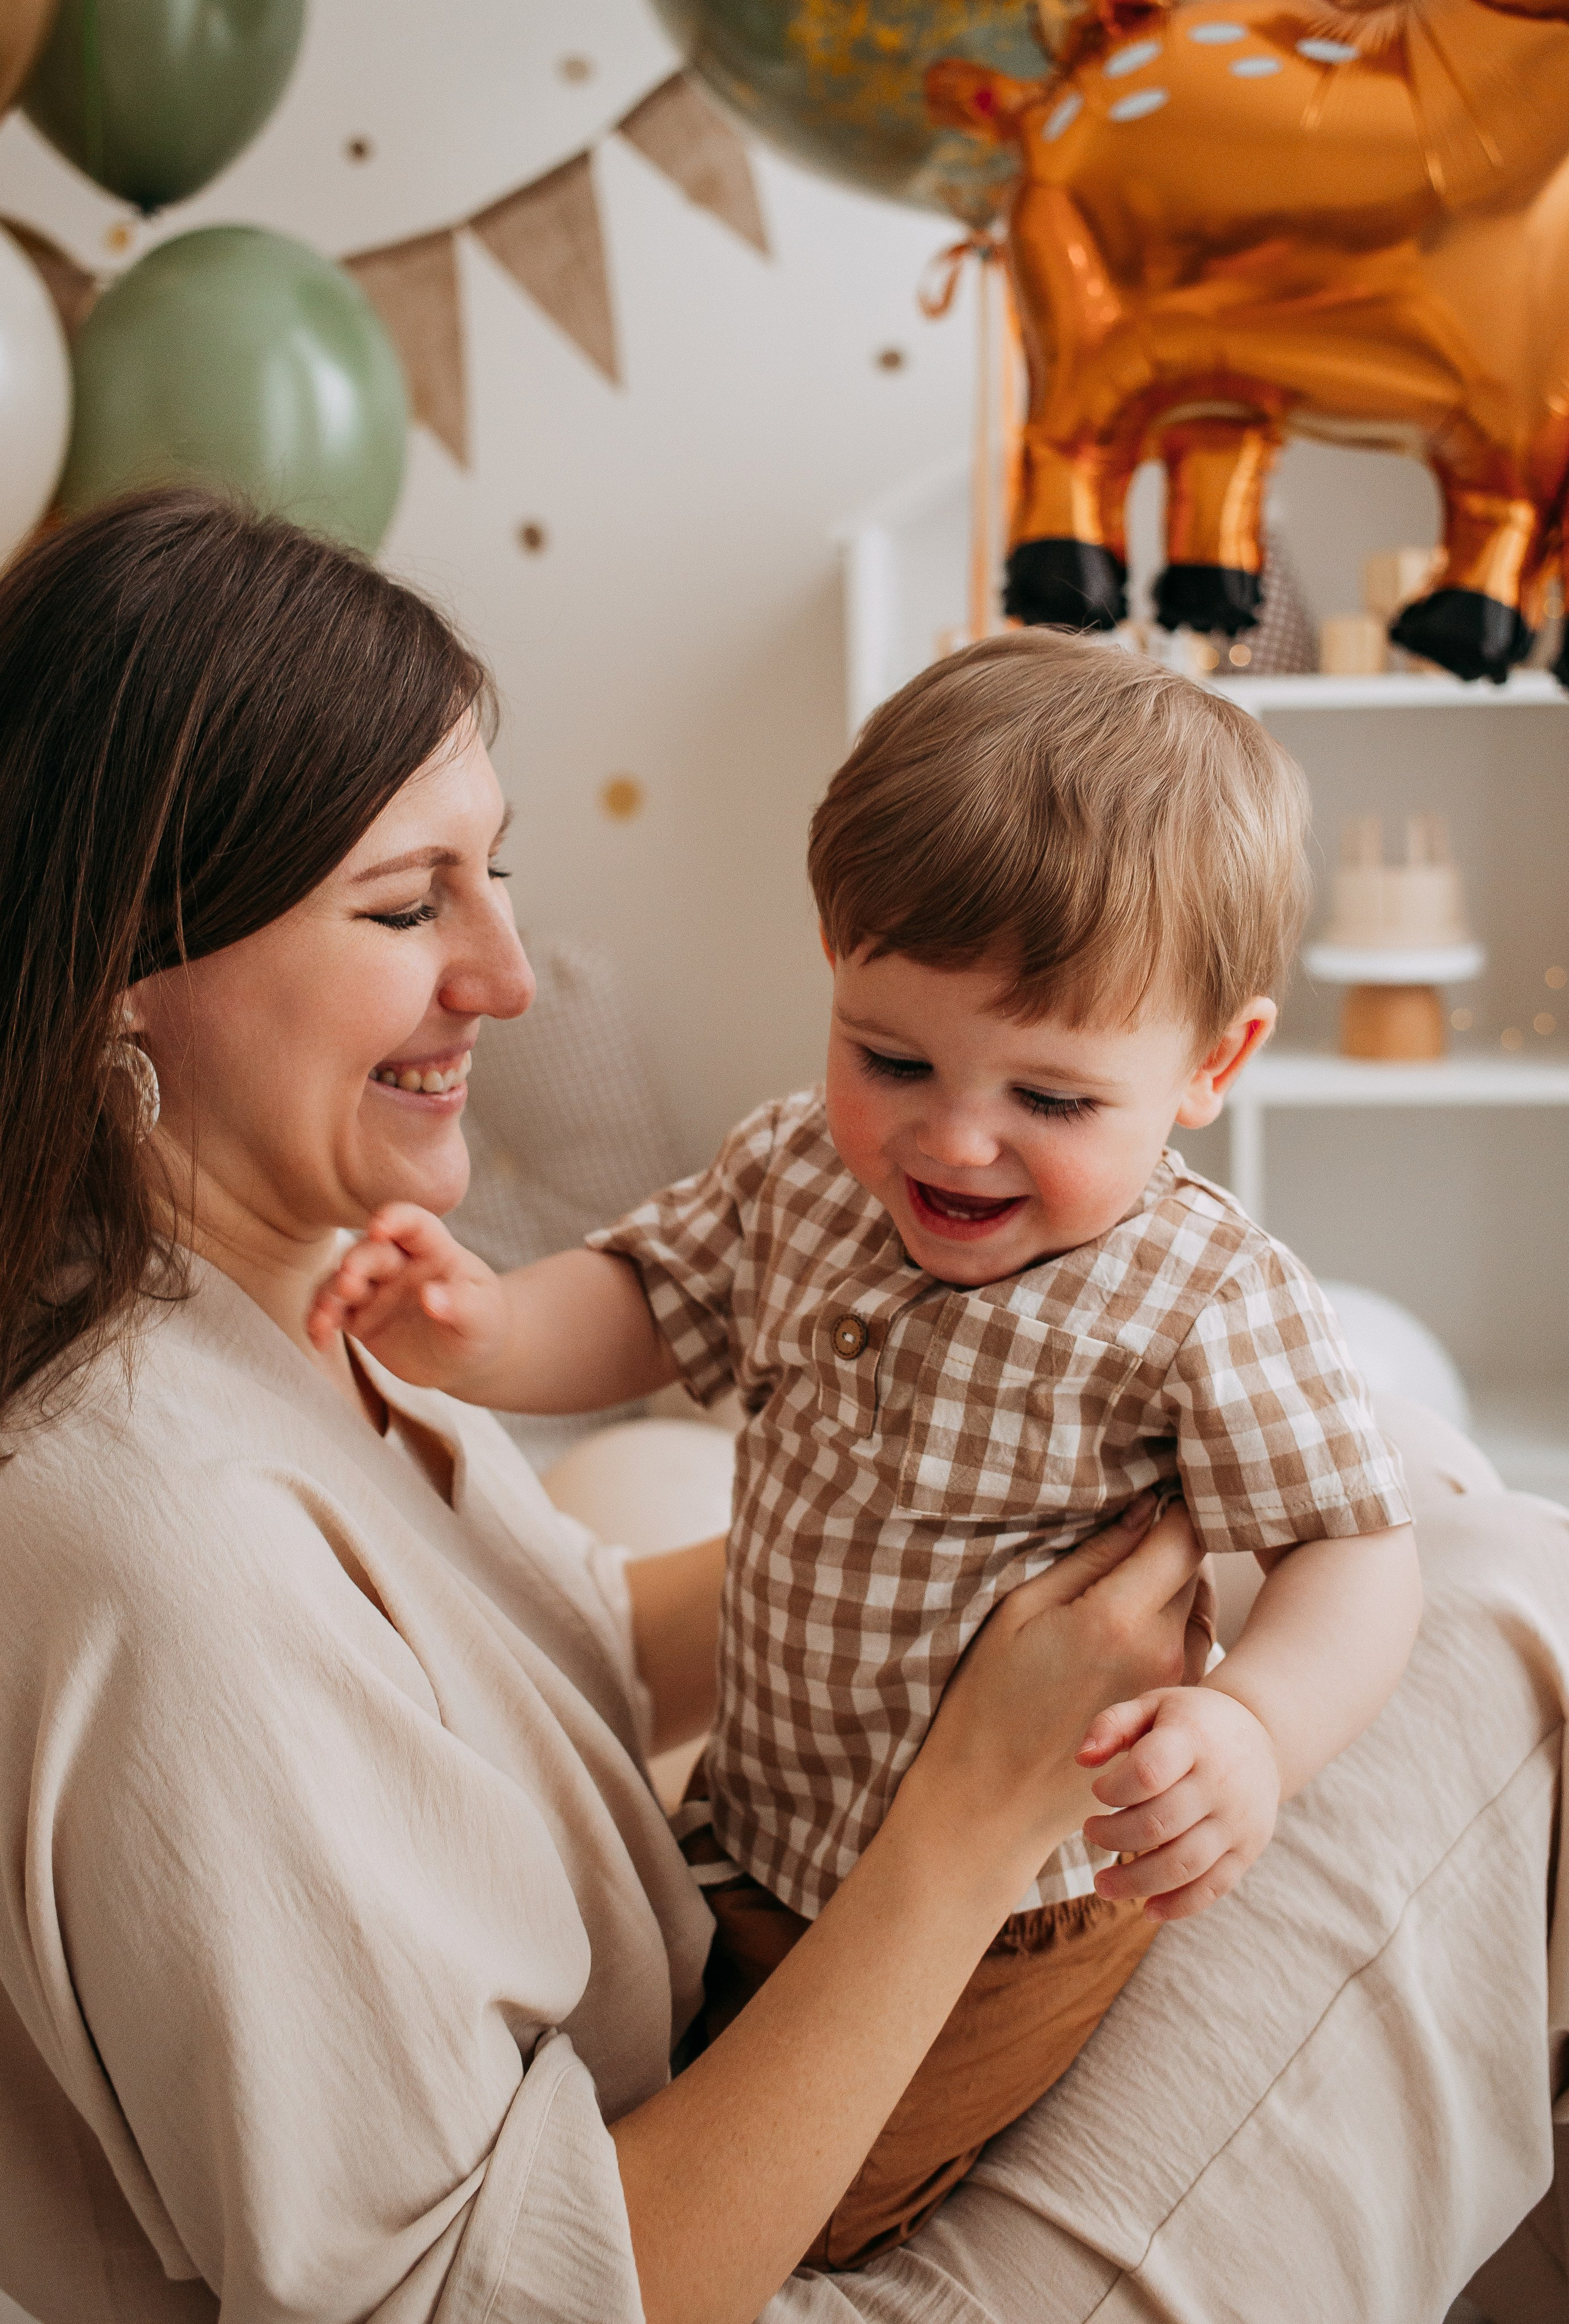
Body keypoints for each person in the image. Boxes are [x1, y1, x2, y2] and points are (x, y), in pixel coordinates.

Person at [0, 490, 1563, 2324]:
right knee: (1518, 1619)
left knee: (1439, 1522)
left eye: (493, 874)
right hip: (709, 2238)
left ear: (1209, 1068)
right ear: (126, 965)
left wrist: (981, 1584)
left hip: (743, 1995)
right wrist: (986, 1785)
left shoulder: (294, 1311)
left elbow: (545, 1654)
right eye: (408, 904)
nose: (507, 976)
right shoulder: (153, 1552)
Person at [310, 631, 1421, 2265]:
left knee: (818, 2208)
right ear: (835, 965)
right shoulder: (800, 1174)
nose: (951, 1138)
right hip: (757, 1821)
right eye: (890, 1057)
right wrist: (480, 1337)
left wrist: (1253, 1731)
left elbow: (1352, 1548)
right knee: (678, 2081)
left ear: (1212, 1066)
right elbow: (642, 1300)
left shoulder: (1203, 1293)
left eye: (1051, 1098)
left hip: (1007, 1914)